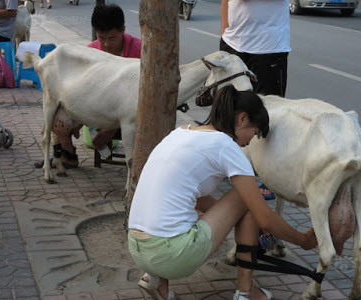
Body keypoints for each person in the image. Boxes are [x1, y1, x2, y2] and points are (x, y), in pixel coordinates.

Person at [128, 85, 318, 300]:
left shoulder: (180, 133)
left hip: (137, 248)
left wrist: (233, 218)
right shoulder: (226, 145)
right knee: (246, 197)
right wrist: (303, 241)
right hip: (173, 256)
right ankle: (246, 293)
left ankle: (156, 282)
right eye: (254, 133)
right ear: (242, 119)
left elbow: (195, 198)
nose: (250, 142)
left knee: (175, 208)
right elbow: (264, 218)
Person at [35, 4, 141, 169]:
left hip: (129, 113)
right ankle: (67, 154)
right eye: (101, 38)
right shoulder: (90, 51)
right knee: (57, 118)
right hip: (96, 108)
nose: (106, 44)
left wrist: (111, 129)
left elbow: (145, 98)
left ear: (123, 30)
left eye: (112, 38)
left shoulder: (139, 50)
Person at [220, 0, 290, 200]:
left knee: (269, 111)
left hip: (269, 47)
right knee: (227, 105)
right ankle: (229, 164)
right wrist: (225, 30)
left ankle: (268, 177)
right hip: (233, 43)